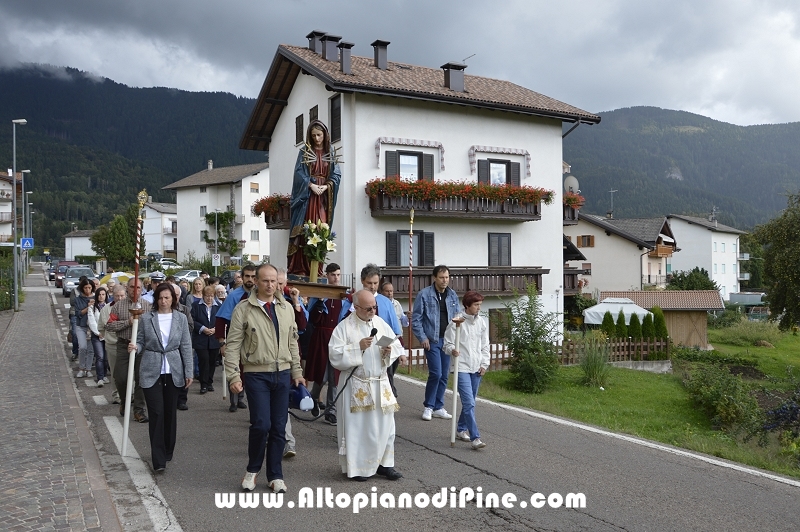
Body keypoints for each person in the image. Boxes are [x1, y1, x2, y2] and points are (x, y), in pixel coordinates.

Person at [224, 264, 305, 494]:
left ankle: (275, 475)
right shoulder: (244, 309)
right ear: (256, 282)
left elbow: (293, 342)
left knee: (279, 426)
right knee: (261, 424)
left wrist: (297, 373)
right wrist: (233, 376)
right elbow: (233, 346)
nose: (271, 285)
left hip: (282, 373)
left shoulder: (286, 308)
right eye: (266, 281)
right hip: (256, 373)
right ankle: (252, 470)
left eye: (274, 281)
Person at [329, 290, 406, 481]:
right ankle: (360, 468)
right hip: (358, 384)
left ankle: (385, 464)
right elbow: (334, 355)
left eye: (374, 307)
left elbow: (395, 343)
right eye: (368, 308)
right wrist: (358, 347)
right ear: (356, 308)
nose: (373, 311)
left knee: (386, 427)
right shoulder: (344, 328)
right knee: (361, 430)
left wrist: (389, 350)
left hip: (380, 382)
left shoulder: (379, 323)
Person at [129, 283, 193, 472]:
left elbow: (186, 346)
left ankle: (167, 448)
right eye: (160, 297)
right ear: (155, 299)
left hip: (173, 369)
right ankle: (158, 460)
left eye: (167, 297)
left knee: (169, 413)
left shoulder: (180, 318)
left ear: (173, 298)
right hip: (151, 368)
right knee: (156, 413)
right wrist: (136, 347)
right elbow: (140, 340)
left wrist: (189, 371)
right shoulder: (147, 318)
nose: (164, 301)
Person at [288, 120, 341, 277]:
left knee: (321, 229)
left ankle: (316, 268)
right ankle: (300, 268)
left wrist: (326, 186)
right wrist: (311, 185)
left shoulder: (330, 152)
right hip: (308, 197)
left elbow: (336, 174)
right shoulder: (304, 151)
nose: (317, 139)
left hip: (323, 198)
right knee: (306, 229)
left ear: (325, 135)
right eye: (314, 136)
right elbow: (299, 173)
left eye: (319, 135)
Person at [412, 265, 460, 421]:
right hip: (431, 340)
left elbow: (457, 317)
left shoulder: (452, 295)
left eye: (447, 277)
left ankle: (439, 406)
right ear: (434, 278)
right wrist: (422, 337)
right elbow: (417, 319)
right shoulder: (424, 295)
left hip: (447, 341)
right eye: (441, 277)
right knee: (436, 373)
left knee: (445, 375)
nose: (444, 280)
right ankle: (428, 406)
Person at [443, 291, 489, 450]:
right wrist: (452, 350)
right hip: (461, 366)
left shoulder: (481, 323)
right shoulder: (456, 322)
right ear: (467, 305)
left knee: (471, 402)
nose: (478, 308)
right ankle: (476, 438)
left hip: (476, 367)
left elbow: (485, 346)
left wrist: (485, 364)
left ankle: (461, 429)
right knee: (468, 402)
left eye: (480, 305)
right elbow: (447, 344)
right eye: (476, 305)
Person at [106, 279, 152, 423]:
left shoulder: (148, 307)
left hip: (142, 347)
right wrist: (128, 322)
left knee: (141, 378)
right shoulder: (118, 306)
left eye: (138, 287)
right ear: (127, 288)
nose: (135, 290)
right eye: (132, 287)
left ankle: (139, 410)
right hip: (123, 345)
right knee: (120, 377)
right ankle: (125, 402)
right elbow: (110, 325)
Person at [215, 264, 257, 412]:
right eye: (247, 276)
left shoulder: (260, 295)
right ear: (242, 277)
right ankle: (234, 400)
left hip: (254, 341)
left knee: (250, 371)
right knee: (235, 368)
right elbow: (221, 320)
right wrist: (222, 342)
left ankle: (243, 398)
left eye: (253, 276)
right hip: (237, 339)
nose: (250, 279)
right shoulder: (234, 296)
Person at [276, 267, 308, 458]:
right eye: (274, 282)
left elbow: (302, 326)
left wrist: (296, 302)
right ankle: (271, 437)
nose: (277, 287)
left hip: (288, 358)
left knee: (283, 404)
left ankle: (288, 442)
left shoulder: (290, 302)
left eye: (281, 283)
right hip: (265, 363)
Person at [304, 263, 343, 425]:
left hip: (338, 337)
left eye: (338, 275)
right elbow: (312, 318)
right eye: (333, 274)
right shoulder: (320, 294)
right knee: (322, 375)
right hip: (321, 336)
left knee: (335, 377)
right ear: (327, 275)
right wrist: (319, 303)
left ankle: (331, 411)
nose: (336, 278)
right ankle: (313, 397)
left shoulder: (343, 294)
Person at [191, 285, 220, 394]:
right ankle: (203, 384)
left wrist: (215, 329)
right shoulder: (196, 306)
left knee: (212, 361)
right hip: (201, 338)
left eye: (211, 296)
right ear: (203, 296)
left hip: (214, 338)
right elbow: (192, 320)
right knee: (204, 360)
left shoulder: (219, 306)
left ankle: (209, 382)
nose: (209, 298)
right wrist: (202, 328)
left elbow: (221, 320)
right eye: (207, 296)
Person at [87, 286, 110, 387]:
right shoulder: (92, 308)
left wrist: (106, 333)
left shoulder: (109, 307)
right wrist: (98, 333)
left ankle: (104, 375)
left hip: (107, 335)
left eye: (103, 294)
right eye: (99, 295)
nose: (101, 297)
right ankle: (100, 378)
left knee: (106, 357)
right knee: (100, 356)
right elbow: (92, 322)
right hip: (97, 336)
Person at [73, 279, 95, 379]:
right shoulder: (78, 299)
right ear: (82, 288)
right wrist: (88, 307)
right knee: (82, 347)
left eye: (89, 288)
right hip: (81, 326)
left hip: (91, 327)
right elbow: (78, 313)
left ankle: (88, 369)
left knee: (91, 349)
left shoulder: (95, 297)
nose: (87, 290)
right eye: (85, 288)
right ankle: (81, 368)